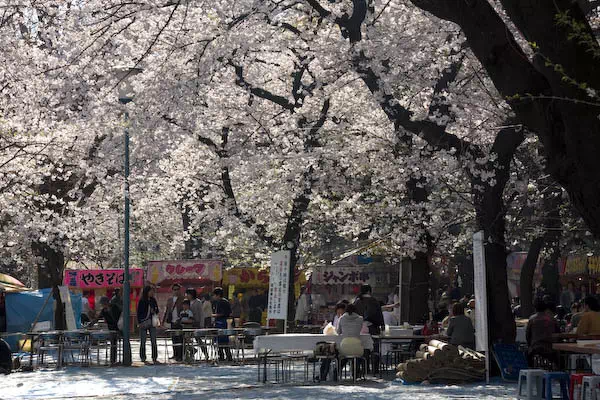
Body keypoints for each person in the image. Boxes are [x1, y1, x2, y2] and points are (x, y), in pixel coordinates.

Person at [526, 299, 559, 367]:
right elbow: (558, 333)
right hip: (550, 348)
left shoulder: (532, 319)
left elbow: (528, 335)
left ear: (535, 308)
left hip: (535, 348)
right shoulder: (552, 319)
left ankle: (530, 371)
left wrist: (530, 345)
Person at [90, 296, 119, 365]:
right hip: (110, 329)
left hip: (117, 328)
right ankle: (112, 360)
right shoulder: (104, 310)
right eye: (102, 304)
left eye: (103, 304)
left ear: (107, 303)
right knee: (112, 344)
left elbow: (117, 317)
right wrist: (90, 324)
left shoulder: (114, 307)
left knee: (114, 344)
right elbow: (98, 318)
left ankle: (114, 360)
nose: (103, 305)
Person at [137, 286, 160, 364]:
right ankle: (143, 357)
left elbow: (157, 310)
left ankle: (154, 356)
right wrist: (139, 322)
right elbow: (139, 313)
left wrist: (155, 310)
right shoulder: (142, 301)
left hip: (152, 322)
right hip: (144, 322)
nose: (152, 293)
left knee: (153, 340)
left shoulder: (153, 300)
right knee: (143, 340)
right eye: (151, 291)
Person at [163, 283, 184, 361]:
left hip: (179, 322)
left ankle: (180, 355)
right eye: (174, 289)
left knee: (180, 339)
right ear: (172, 290)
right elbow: (167, 311)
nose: (176, 291)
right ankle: (175, 354)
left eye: (177, 289)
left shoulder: (182, 299)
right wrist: (163, 321)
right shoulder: (170, 300)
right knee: (174, 339)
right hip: (172, 321)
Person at [186, 288, 208, 360]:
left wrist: (202, 324)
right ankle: (192, 351)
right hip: (189, 323)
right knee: (187, 339)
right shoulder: (187, 302)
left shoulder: (198, 302)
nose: (187, 295)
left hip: (196, 323)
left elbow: (201, 313)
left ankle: (205, 353)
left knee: (198, 339)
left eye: (188, 294)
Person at [212, 287, 233, 361]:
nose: (213, 297)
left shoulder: (222, 302)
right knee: (222, 340)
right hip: (222, 322)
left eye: (214, 295)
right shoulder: (223, 301)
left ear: (218, 295)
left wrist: (214, 315)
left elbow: (223, 313)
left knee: (222, 340)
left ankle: (223, 356)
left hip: (222, 322)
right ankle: (225, 356)